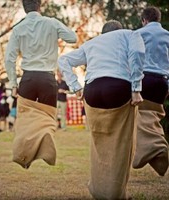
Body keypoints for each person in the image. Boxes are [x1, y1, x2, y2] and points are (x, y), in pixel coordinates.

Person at [58, 20, 145, 199]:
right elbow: (137, 53)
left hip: (92, 91)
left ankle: (99, 189)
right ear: (118, 30)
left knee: (99, 144)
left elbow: (63, 60)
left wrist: (76, 87)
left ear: (103, 33)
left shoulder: (91, 43)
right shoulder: (130, 34)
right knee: (123, 143)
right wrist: (136, 88)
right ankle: (116, 194)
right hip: (118, 87)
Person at [5, 0, 77, 168]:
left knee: (24, 122)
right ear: (39, 6)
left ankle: (24, 155)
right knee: (46, 118)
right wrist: (56, 30)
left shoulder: (18, 29)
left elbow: (9, 59)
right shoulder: (51, 23)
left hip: (28, 79)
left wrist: (13, 83)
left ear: (24, 8)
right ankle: (45, 144)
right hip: (47, 79)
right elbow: (72, 38)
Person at [132, 6, 169, 176]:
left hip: (143, 79)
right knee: (152, 117)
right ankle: (157, 150)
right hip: (161, 82)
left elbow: (133, 58)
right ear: (158, 19)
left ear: (144, 20)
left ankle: (151, 151)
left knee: (135, 116)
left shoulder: (139, 33)